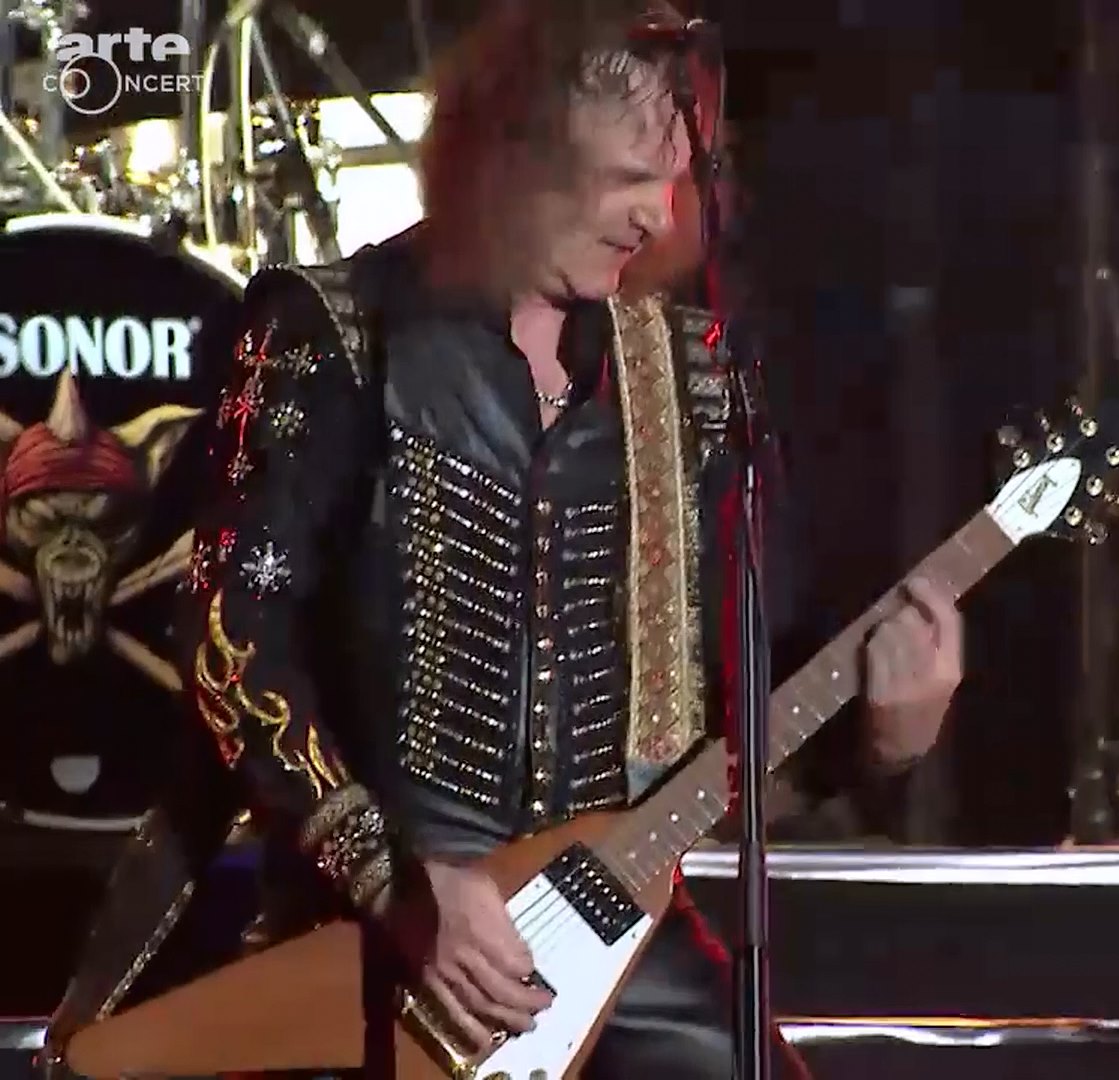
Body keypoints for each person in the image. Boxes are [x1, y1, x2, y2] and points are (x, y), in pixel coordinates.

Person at [170, 1, 963, 1076]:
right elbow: (230, 636)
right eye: (626, 178)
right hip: (372, 942)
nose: (656, 214)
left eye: (674, 179)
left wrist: (886, 733)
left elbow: (750, 709)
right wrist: (393, 879)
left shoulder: (693, 379)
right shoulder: (335, 333)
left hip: (615, 945)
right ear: (512, 152)